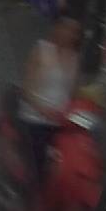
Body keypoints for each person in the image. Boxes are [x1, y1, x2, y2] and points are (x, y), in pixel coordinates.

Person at [18, 16, 82, 184]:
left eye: (74, 32)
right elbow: (27, 89)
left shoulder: (74, 58)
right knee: (40, 162)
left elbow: (73, 93)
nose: (70, 34)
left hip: (61, 120)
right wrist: (42, 110)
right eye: (67, 29)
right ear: (57, 29)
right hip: (35, 118)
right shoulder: (41, 50)